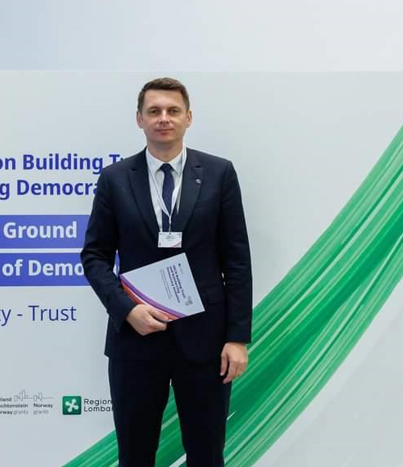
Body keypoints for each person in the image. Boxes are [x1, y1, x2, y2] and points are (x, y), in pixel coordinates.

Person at [81, 77, 253, 467]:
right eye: (154, 111)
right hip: (136, 341)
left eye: (173, 111)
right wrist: (126, 310)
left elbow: (237, 260)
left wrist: (237, 338)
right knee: (135, 455)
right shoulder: (114, 179)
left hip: (206, 343)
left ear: (188, 118)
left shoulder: (219, 173)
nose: (164, 118)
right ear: (139, 119)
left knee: (206, 455)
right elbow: (94, 256)